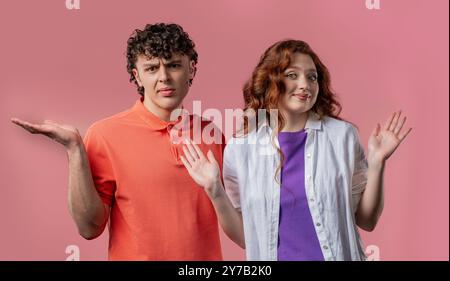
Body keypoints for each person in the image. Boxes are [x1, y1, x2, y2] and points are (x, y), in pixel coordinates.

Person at [180, 39, 412, 261]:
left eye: (312, 77)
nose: (305, 85)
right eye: (292, 75)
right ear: (270, 81)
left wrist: (377, 162)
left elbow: (367, 220)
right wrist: (214, 189)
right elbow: (245, 238)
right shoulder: (241, 150)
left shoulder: (342, 137)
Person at [11, 23, 226, 261]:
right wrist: (74, 150)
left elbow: (242, 213)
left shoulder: (211, 133)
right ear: (138, 76)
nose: (164, 77)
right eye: (152, 68)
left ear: (191, 70)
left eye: (174, 66)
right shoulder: (106, 135)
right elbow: (89, 228)